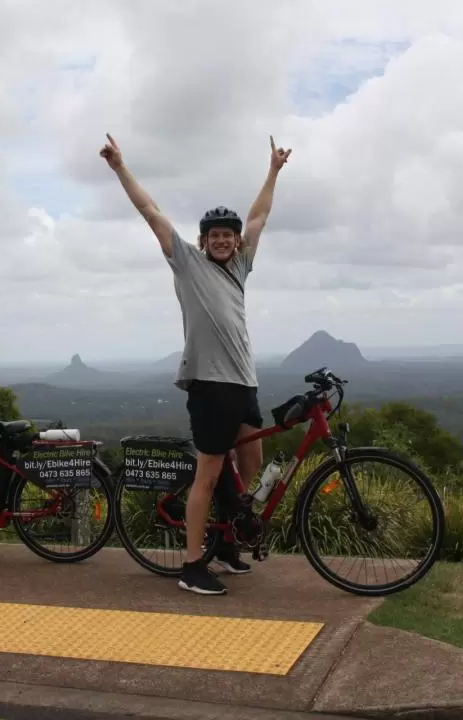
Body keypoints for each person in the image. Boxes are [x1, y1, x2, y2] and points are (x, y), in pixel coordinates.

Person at [100, 132, 290, 595]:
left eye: (229, 236)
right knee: (207, 474)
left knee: (247, 469)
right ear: (203, 242)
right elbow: (151, 212)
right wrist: (120, 167)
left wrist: (273, 171)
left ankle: (225, 546)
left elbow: (259, 216)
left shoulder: (241, 267)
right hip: (209, 384)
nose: (223, 240)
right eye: (215, 236)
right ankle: (191, 566)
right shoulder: (186, 262)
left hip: (244, 382)